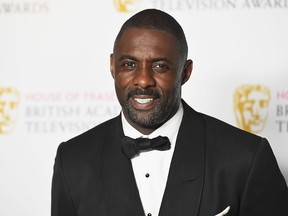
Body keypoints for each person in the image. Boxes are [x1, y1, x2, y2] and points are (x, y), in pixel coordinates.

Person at [51, 9, 288, 216]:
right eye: (129, 65)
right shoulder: (73, 161)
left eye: (160, 66)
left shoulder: (245, 158)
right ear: (112, 67)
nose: (143, 80)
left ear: (185, 72)